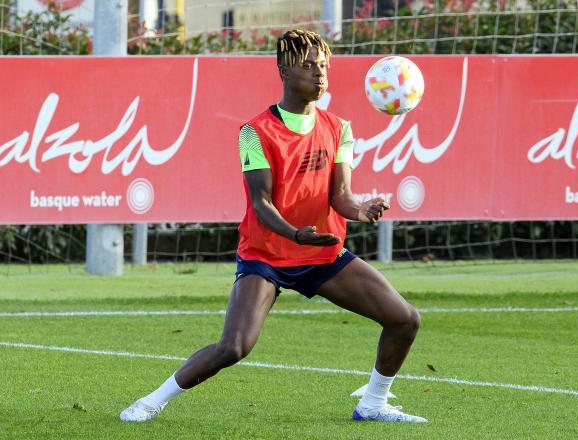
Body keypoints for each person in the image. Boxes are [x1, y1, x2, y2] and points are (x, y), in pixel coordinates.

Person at [120, 29, 426, 424]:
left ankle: (373, 403)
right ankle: (152, 400)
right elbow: (260, 202)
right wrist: (295, 234)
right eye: (309, 66)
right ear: (283, 69)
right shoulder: (253, 132)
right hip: (266, 256)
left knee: (405, 319)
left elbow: (341, 196)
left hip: (321, 252)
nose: (320, 74)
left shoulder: (339, 127)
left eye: (324, 66)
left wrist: (360, 209)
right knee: (234, 347)